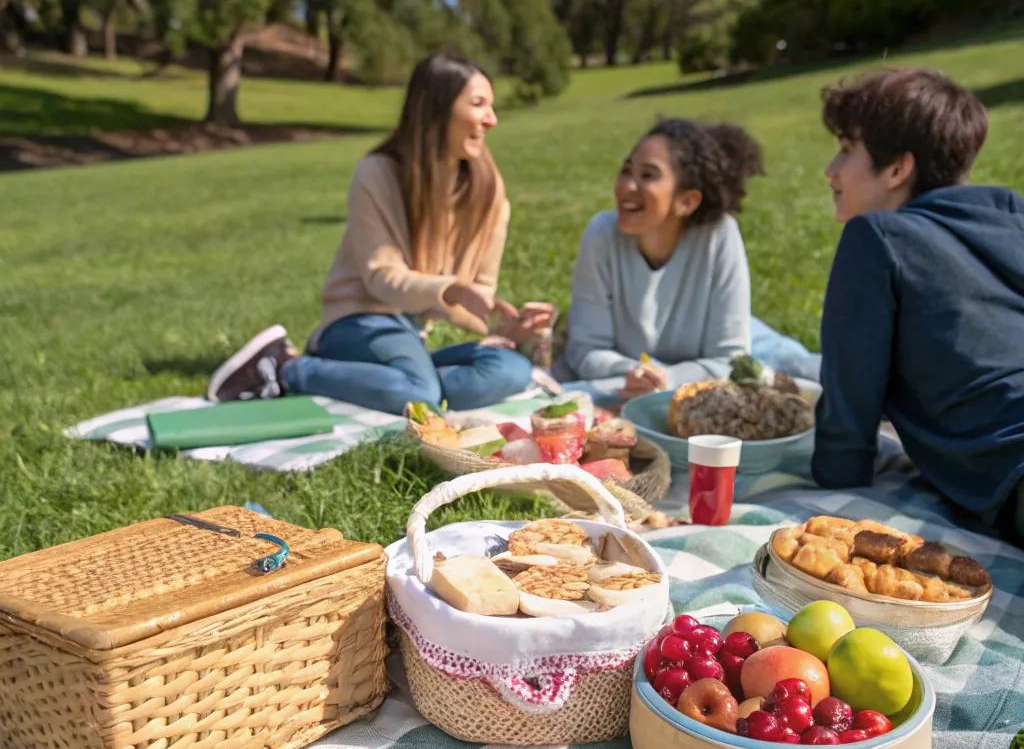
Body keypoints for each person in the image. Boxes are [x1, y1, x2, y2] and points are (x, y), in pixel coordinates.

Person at [207, 52, 553, 415]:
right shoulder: (377, 174)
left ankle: (390, 383)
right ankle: (286, 367)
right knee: (420, 396)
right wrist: (448, 288)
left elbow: (478, 295)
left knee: (512, 370)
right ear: (436, 109)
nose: (492, 119)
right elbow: (381, 278)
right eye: (479, 104)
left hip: (410, 336)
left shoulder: (488, 191)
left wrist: (507, 325)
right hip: (357, 321)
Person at [811, 65, 1024, 543]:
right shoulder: (1012, 214)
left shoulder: (876, 237)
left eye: (847, 149)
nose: (831, 169)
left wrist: (825, 496)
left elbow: (846, 432)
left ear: (897, 168)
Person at [561, 117, 816, 396]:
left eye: (647, 175)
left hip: (746, 344)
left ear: (687, 201)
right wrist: (638, 373)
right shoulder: (601, 235)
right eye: (626, 170)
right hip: (640, 370)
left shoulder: (718, 235)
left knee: (807, 374)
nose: (627, 187)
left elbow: (730, 358)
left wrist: (666, 377)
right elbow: (586, 350)